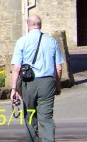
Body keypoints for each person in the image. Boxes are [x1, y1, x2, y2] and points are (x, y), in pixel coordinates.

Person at [10, 14, 64, 142]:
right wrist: (57, 85)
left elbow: (16, 68)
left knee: (30, 115)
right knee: (46, 118)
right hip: (47, 83)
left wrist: (14, 88)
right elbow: (59, 68)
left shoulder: (22, 41)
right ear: (40, 25)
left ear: (28, 25)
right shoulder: (52, 41)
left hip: (29, 84)